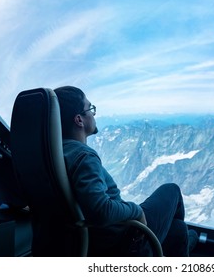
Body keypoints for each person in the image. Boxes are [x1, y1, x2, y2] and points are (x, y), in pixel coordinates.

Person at [53, 86, 197, 256]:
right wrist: (136, 211)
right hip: (125, 242)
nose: (93, 114)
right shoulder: (84, 156)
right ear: (79, 120)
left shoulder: (54, 154)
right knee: (172, 190)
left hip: (92, 240)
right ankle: (150, 253)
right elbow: (100, 210)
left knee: (180, 231)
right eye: (90, 109)